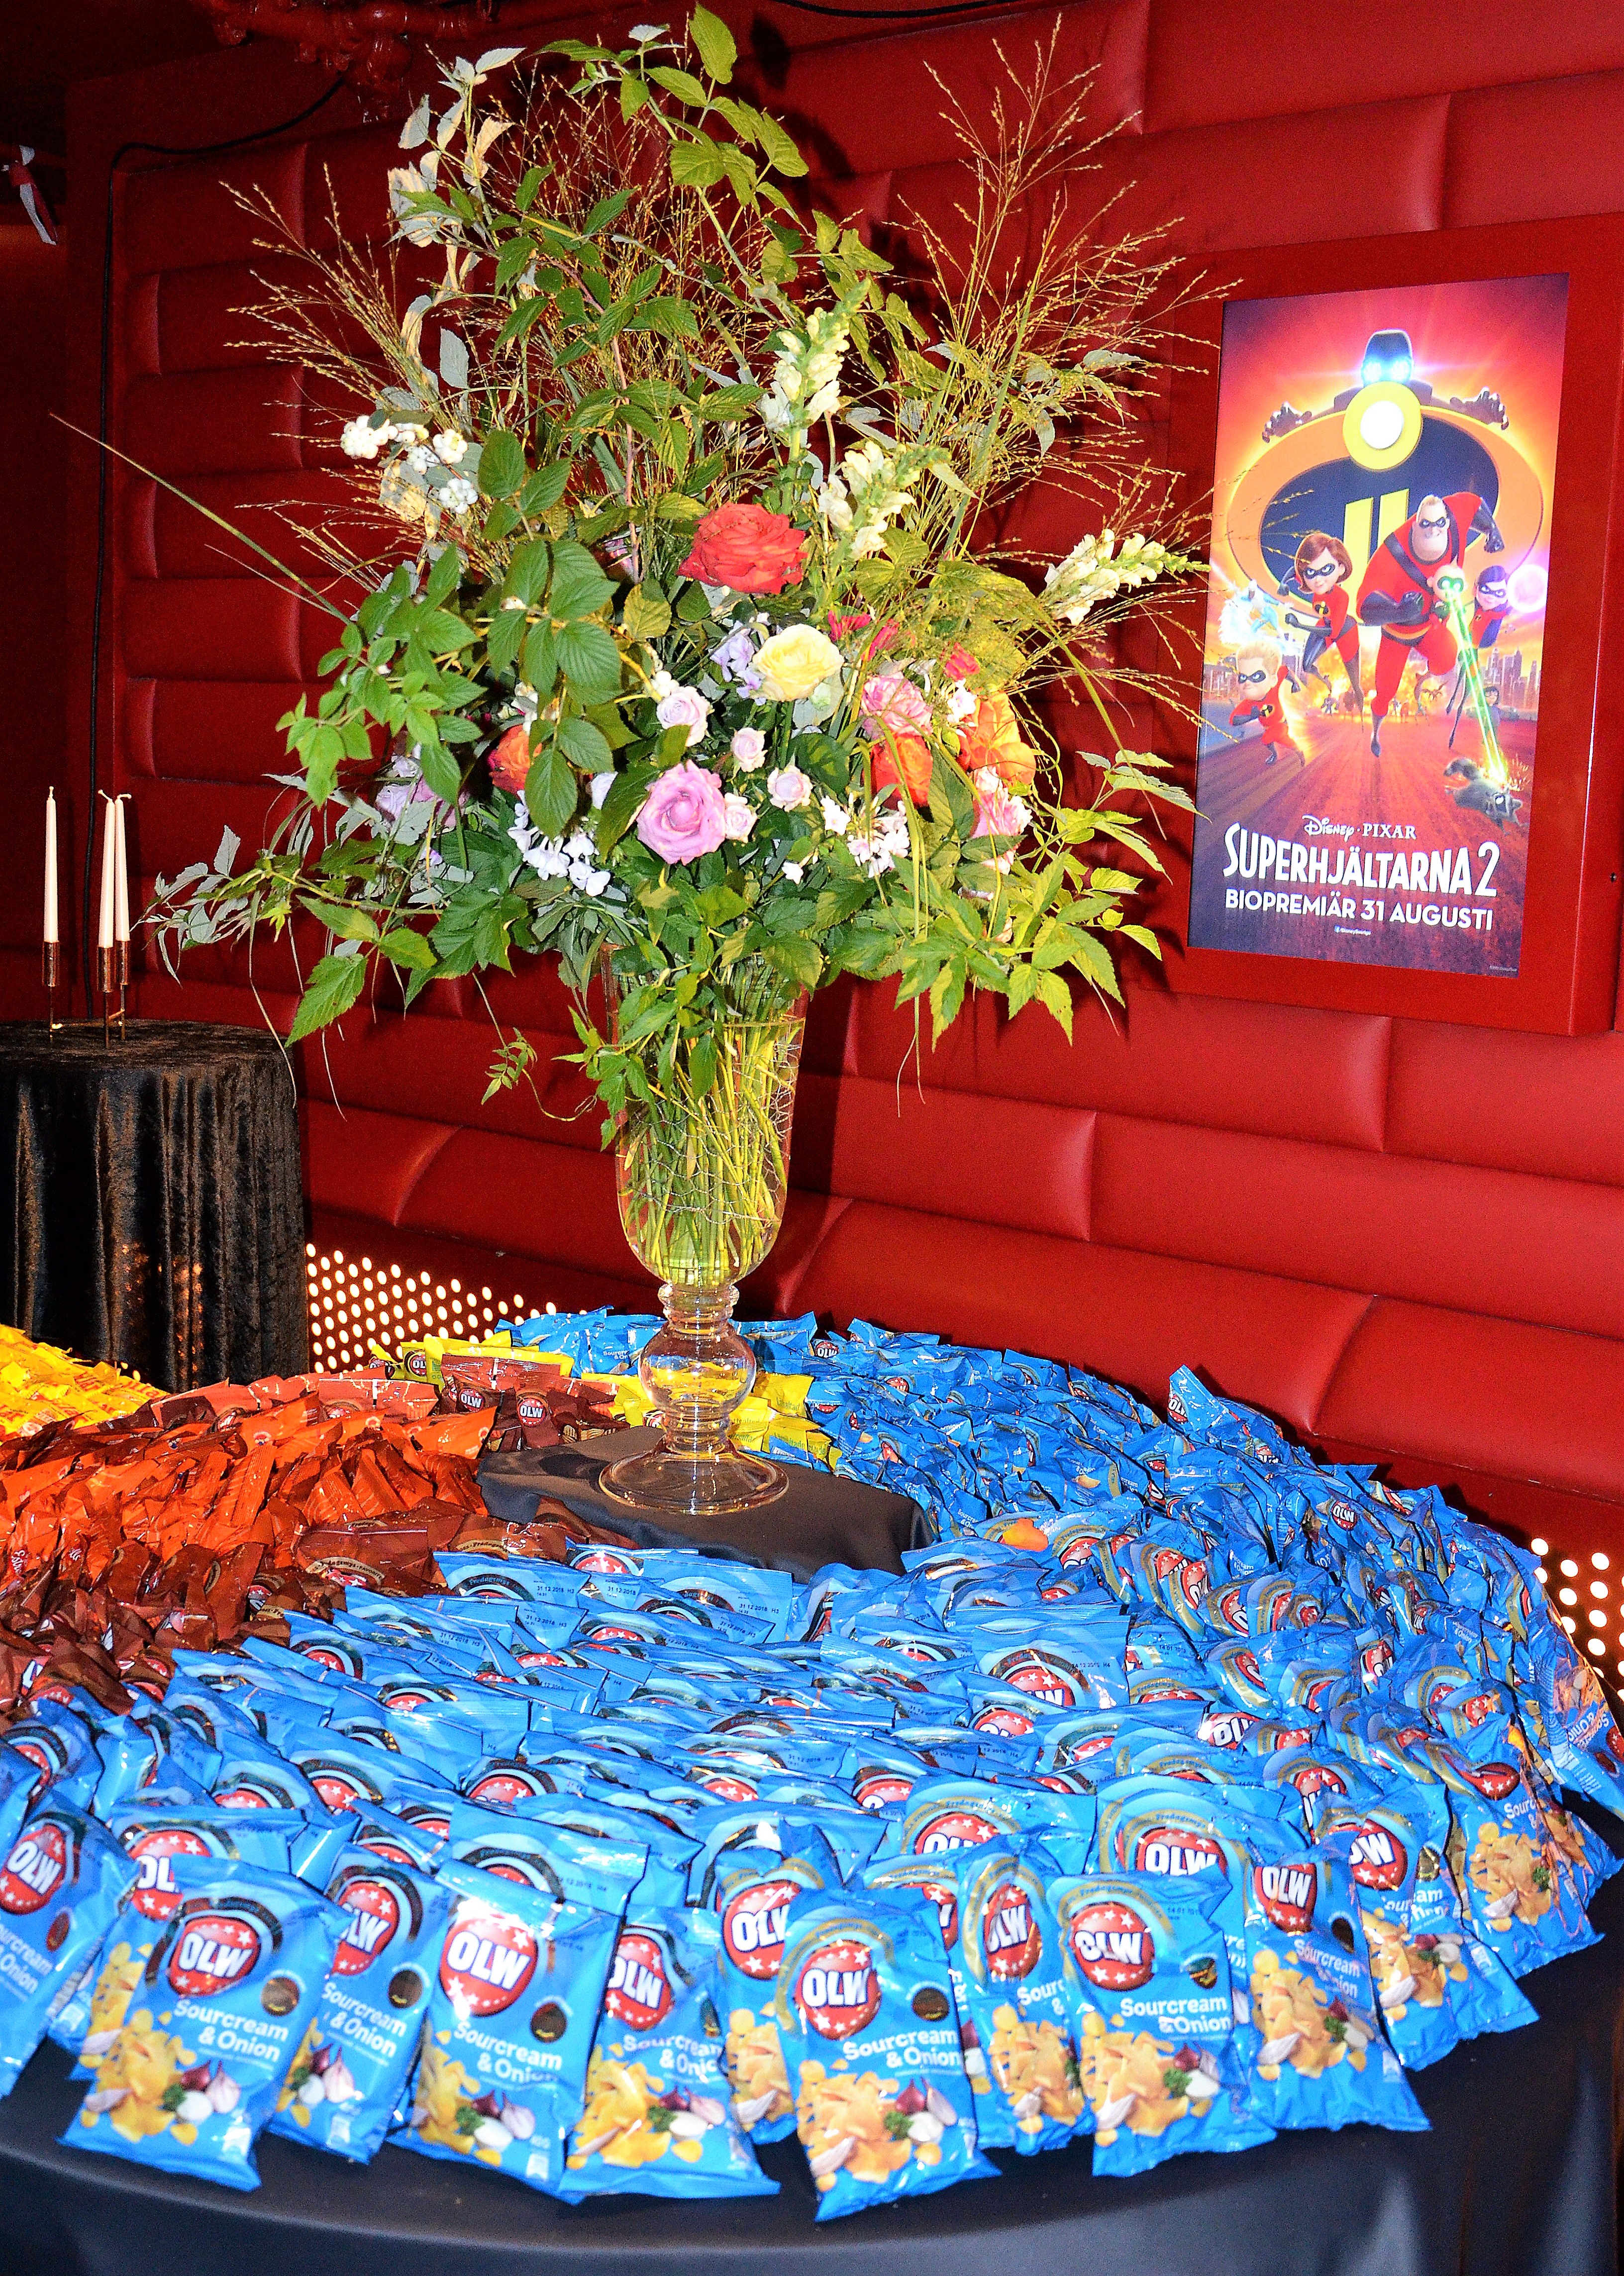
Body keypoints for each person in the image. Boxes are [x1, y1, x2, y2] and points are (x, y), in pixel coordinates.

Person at [1356, 491, 1504, 756]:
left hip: (1432, 628)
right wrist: (1397, 611)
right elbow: (1365, 608)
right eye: (1425, 525)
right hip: (1397, 636)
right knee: (1385, 693)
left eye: (1439, 524)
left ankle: (1422, 678)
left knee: (1448, 657)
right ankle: (1376, 732)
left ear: (1447, 523)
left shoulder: (1454, 518)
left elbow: (1473, 504)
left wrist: (1492, 531)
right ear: (1415, 525)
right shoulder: (1391, 555)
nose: (1433, 530)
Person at [1278, 532, 1361, 711]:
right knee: (1307, 665)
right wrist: (1283, 584)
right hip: (1324, 625)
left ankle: (1362, 713)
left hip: (1345, 630)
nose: (1317, 579)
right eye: (1311, 573)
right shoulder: (1312, 579)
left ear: (1341, 568)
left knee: (1356, 682)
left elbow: (1332, 632)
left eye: (1326, 570)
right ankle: (1326, 681)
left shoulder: (1341, 598)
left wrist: (1299, 625)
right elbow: (1294, 571)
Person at [1227, 641, 1301, 766]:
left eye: (1256, 676)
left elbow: (1285, 671)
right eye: (1243, 677)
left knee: (1270, 739)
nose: (1247, 683)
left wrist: (1295, 684)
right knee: (1272, 740)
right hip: (1269, 728)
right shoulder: (1249, 703)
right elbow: (1234, 720)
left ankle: (1294, 751)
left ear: (1273, 680)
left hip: (1281, 724)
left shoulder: (1274, 685)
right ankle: (1282, 752)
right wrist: (1251, 716)